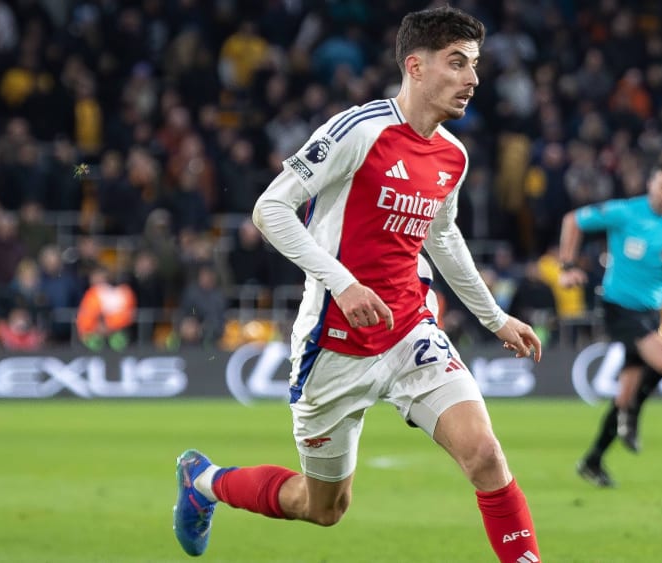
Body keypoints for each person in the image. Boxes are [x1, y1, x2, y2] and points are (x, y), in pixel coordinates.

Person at [172, 7, 543, 563]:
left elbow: (442, 236)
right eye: (457, 63)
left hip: (411, 332)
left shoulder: (453, 155)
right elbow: (270, 210)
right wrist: (343, 284)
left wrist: (495, 317)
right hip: (334, 344)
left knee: (485, 456)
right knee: (323, 507)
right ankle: (204, 482)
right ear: (415, 67)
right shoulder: (359, 130)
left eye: (475, 65)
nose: (473, 78)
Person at [559, 162, 662, 488]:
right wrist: (567, 265)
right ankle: (633, 414)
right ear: (650, 184)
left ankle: (593, 460)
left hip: (651, 312)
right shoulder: (625, 212)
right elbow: (573, 220)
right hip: (618, 306)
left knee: (624, 394)